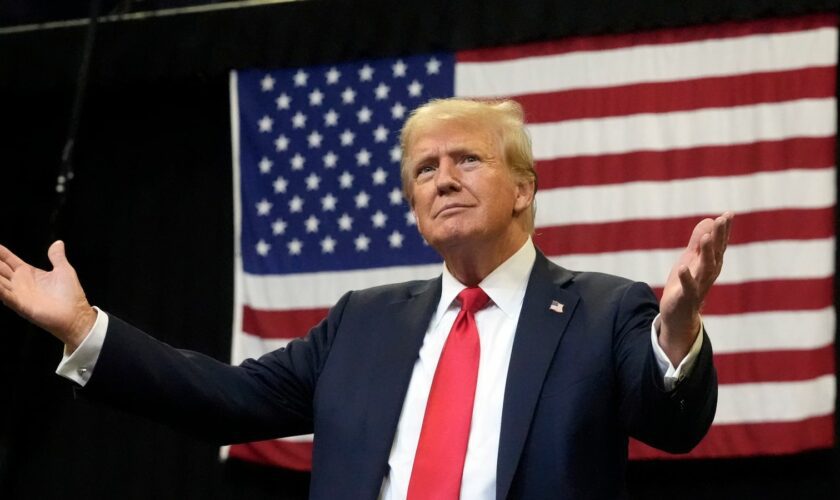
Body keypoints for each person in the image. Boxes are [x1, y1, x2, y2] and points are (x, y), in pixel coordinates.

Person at [0, 98, 732, 499]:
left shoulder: (603, 310)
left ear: (524, 189)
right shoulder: (365, 321)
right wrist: (85, 328)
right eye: (424, 170)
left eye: (467, 159)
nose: (442, 179)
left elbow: (672, 421)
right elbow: (223, 398)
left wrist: (677, 333)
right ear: (413, 207)